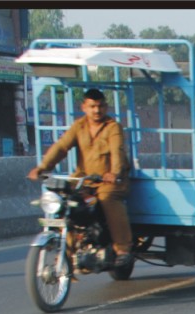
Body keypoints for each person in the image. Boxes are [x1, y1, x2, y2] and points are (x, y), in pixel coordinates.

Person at [28, 87, 133, 268]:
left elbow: (117, 151)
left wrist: (114, 173)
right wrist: (43, 167)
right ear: (83, 107)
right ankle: (67, 251)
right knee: (67, 201)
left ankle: (123, 249)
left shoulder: (113, 127)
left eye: (100, 106)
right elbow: (61, 147)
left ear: (106, 107)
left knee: (107, 198)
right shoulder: (79, 126)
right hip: (84, 180)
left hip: (109, 181)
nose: (96, 110)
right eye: (92, 106)